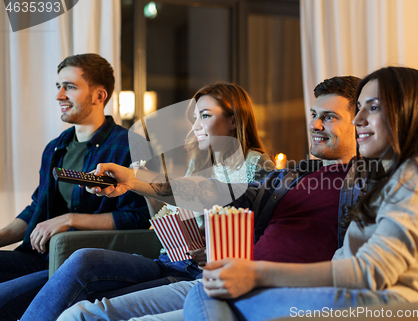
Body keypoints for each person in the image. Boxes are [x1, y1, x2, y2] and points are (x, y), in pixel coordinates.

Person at [179, 66, 418, 321]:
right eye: (359, 108)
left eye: (373, 107)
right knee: (207, 291)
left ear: (408, 114)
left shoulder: (417, 175)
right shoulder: (389, 175)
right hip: (361, 299)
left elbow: (371, 271)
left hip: (384, 304)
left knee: (205, 291)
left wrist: (257, 273)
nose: (357, 120)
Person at [56, 76, 361, 321]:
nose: (315, 125)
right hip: (215, 276)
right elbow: (218, 197)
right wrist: (136, 181)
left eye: (329, 117)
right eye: (314, 115)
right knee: (81, 313)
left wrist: (248, 270)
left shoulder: (366, 184)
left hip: (251, 286)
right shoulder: (293, 175)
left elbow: (355, 266)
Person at [20, 83, 275, 321]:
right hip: (169, 260)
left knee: (90, 308)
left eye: (205, 116)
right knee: (82, 259)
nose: (195, 125)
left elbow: (265, 231)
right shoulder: (199, 164)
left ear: (233, 119)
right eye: (195, 117)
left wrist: (217, 249)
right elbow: (169, 216)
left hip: (195, 272)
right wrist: (145, 190)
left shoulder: (256, 165)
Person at [0, 53, 150, 320]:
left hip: (82, 263)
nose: (59, 95)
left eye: (69, 87)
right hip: (41, 256)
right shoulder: (56, 147)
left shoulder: (129, 145)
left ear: (99, 95)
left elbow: (137, 218)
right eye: (58, 86)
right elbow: (37, 207)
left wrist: (69, 220)